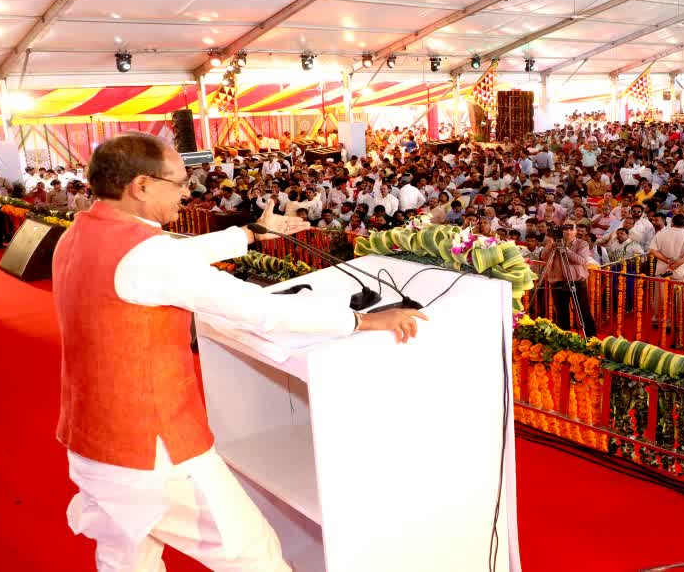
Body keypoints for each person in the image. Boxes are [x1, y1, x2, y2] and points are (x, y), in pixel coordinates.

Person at [52, 133, 426, 572]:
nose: (187, 191)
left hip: (92, 439)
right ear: (141, 185)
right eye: (178, 181)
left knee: (128, 559)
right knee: (251, 553)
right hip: (153, 449)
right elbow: (260, 311)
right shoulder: (148, 256)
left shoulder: (79, 234)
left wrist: (249, 233)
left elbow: (171, 257)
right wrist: (361, 320)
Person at [540, 223, 597, 337]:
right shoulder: (554, 243)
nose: (568, 232)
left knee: (583, 311)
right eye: (565, 230)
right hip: (558, 281)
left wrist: (565, 249)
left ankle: (591, 338)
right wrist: (550, 245)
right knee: (561, 313)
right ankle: (564, 338)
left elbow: (581, 260)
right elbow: (544, 256)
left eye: (571, 229)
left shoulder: (582, 243)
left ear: (576, 231)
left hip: (576, 282)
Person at [649, 214, 684, 333]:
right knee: (678, 297)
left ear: (672, 223)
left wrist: (667, 262)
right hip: (679, 272)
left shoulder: (661, 233)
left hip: (662, 269)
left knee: (660, 296)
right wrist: (674, 265)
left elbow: (653, 251)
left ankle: (656, 319)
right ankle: (674, 321)